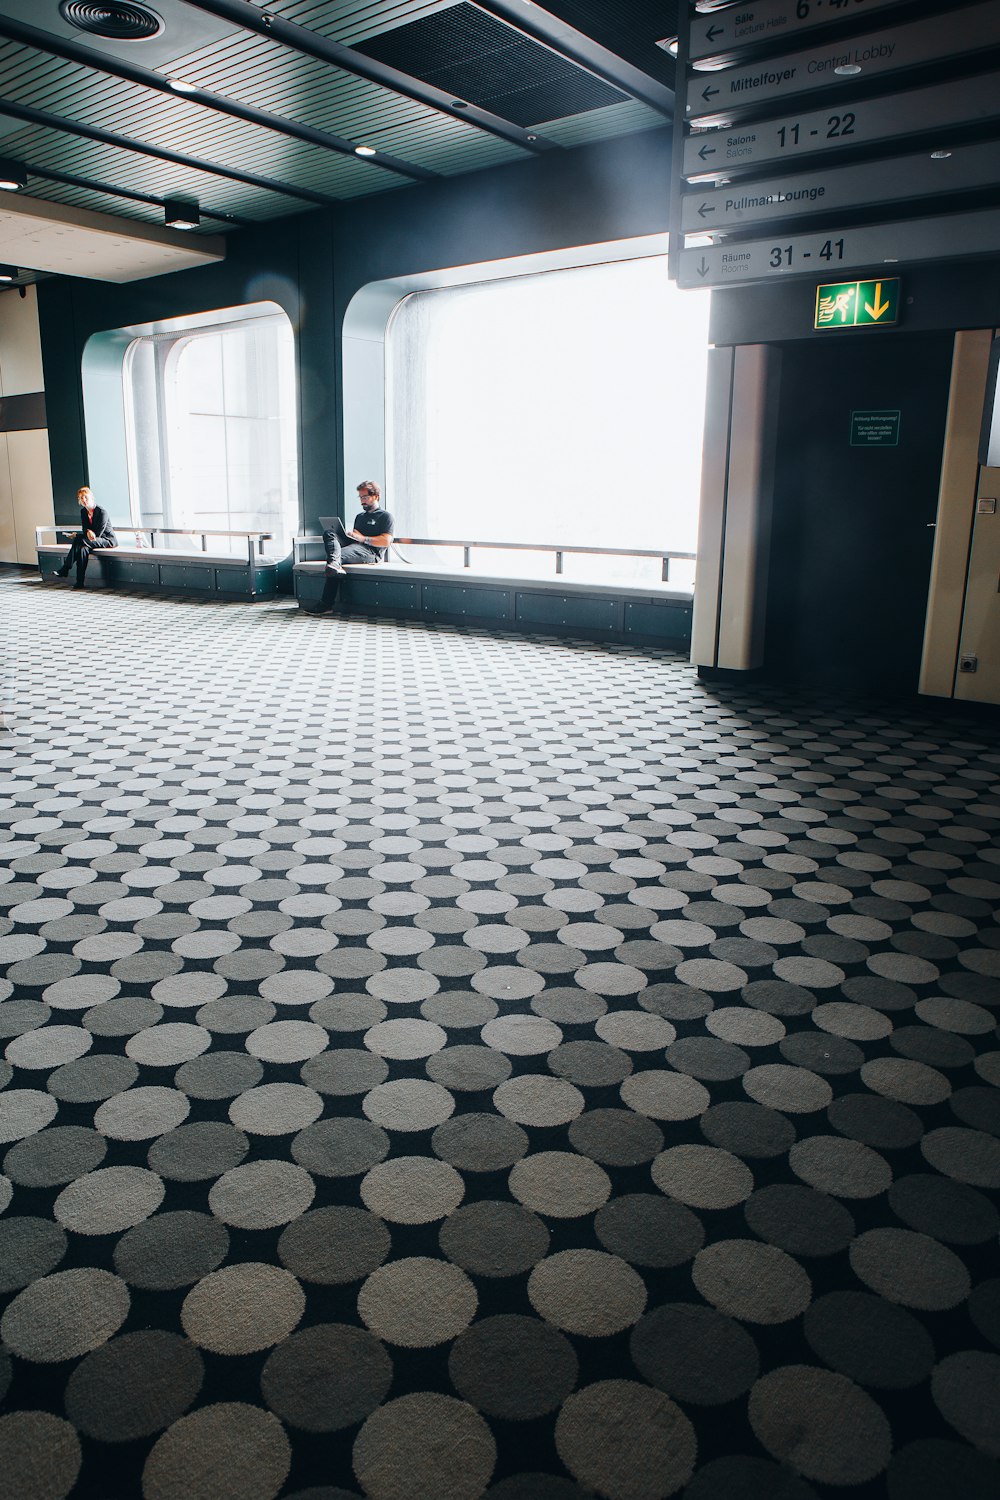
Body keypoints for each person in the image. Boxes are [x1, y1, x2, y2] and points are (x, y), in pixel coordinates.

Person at [313, 481, 394, 613]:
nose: (362, 501)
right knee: (329, 533)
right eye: (360, 498)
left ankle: (326, 603)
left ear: (376, 496)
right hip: (356, 546)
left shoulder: (386, 516)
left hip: (372, 553)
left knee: (338, 557)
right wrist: (351, 536)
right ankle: (334, 564)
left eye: (365, 497)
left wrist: (363, 539)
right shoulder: (360, 517)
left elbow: (386, 541)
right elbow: (357, 536)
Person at [54, 486, 117, 588]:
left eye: (85, 497)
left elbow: (98, 534)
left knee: (78, 539)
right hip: (91, 540)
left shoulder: (101, 512)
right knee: (83, 549)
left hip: (106, 540)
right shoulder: (83, 512)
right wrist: (84, 533)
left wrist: (80, 535)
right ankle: (79, 582)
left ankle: (66, 568)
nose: (83, 500)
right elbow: (85, 529)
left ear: (91, 497)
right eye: (81, 498)